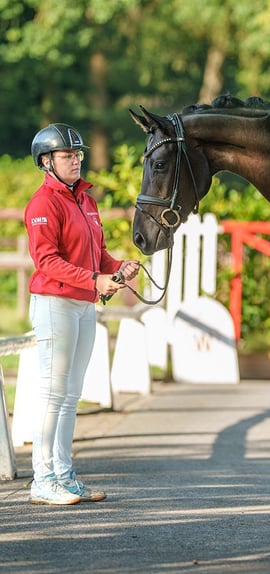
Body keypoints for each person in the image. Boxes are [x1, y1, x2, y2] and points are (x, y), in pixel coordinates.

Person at [24, 123, 140, 505]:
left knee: (71, 395)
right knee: (53, 393)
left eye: (78, 155)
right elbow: (47, 261)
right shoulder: (43, 204)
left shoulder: (86, 201)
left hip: (84, 302)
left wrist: (119, 267)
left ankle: (63, 472)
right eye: (67, 156)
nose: (75, 160)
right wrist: (94, 279)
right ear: (47, 161)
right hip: (56, 304)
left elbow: (99, 253)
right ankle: (42, 478)